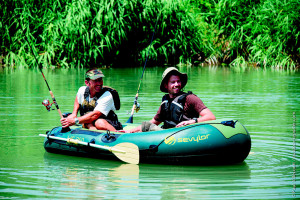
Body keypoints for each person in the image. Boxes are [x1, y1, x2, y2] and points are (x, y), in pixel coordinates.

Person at [122, 67, 216, 133]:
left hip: (186, 135)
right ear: (166, 85)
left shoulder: (190, 98)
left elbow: (211, 117)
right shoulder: (165, 102)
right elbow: (154, 122)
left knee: (147, 126)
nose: (176, 84)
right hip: (167, 135)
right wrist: (131, 131)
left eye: (178, 81)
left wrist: (192, 121)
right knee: (146, 125)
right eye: (173, 82)